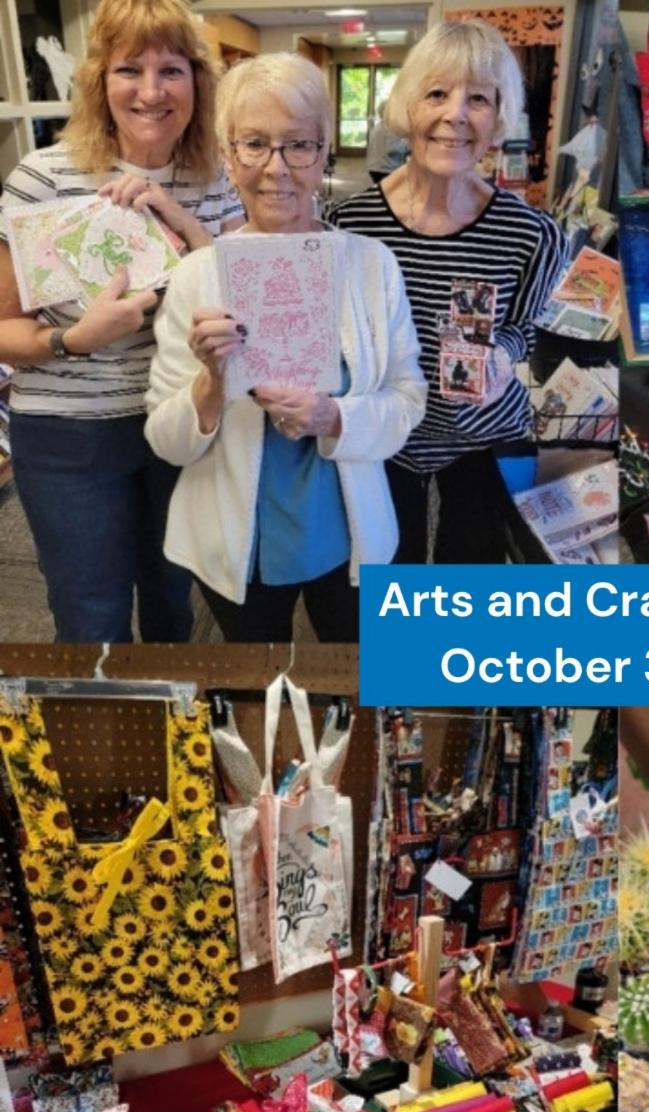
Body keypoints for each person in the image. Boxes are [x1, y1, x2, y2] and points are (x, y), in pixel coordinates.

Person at [144, 54, 426, 643]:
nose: (276, 168)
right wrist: (209, 382)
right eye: (253, 144)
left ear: (324, 153)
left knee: (356, 682)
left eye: (298, 145)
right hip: (238, 538)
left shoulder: (371, 266)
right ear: (227, 156)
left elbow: (407, 398)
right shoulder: (197, 276)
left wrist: (334, 416)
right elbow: (166, 444)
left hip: (348, 530)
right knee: (257, 692)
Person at [0, 0, 242, 642]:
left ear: (198, 81)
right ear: (99, 81)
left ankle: (172, 743)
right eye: (129, 69)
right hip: (68, 436)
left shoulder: (216, 180)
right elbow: (1, 327)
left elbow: (244, 308)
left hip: (178, 424)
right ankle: (103, 745)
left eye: (172, 70)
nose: (151, 91)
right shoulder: (42, 179)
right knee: (91, 616)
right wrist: (73, 339)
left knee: (172, 603)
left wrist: (185, 224)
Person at [330, 19, 567, 563]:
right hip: (386, 438)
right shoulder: (348, 224)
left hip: (484, 436)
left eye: (478, 99)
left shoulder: (530, 233)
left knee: (470, 584)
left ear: (498, 117)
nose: (455, 114)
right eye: (436, 93)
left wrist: (504, 356)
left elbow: (529, 326)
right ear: (409, 106)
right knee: (389, 576)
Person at [366, 98, 409, 184]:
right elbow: (392, 149)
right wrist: (409, 143)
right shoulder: (389, 129)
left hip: (374, 167)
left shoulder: (377, 127)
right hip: (385, 169)